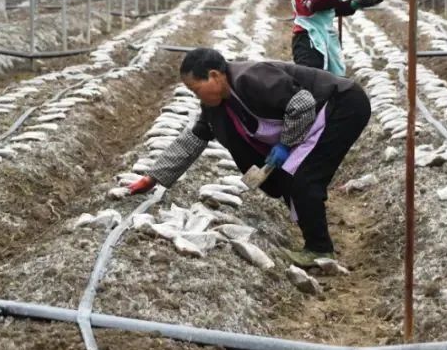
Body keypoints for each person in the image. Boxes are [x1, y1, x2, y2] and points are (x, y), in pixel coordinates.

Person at [127, 47, 371, 267]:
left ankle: (319, 249)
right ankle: (314, 237)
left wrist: (286, 144)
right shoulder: (215, 107)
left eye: (195, 89)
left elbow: (302, 103)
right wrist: (153, 177)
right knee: (288, 176)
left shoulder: (250, 79)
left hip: (341, 105)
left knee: (304, 177)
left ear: (214, 76)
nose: (195, 96)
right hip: (314, 118)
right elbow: (195, 139)